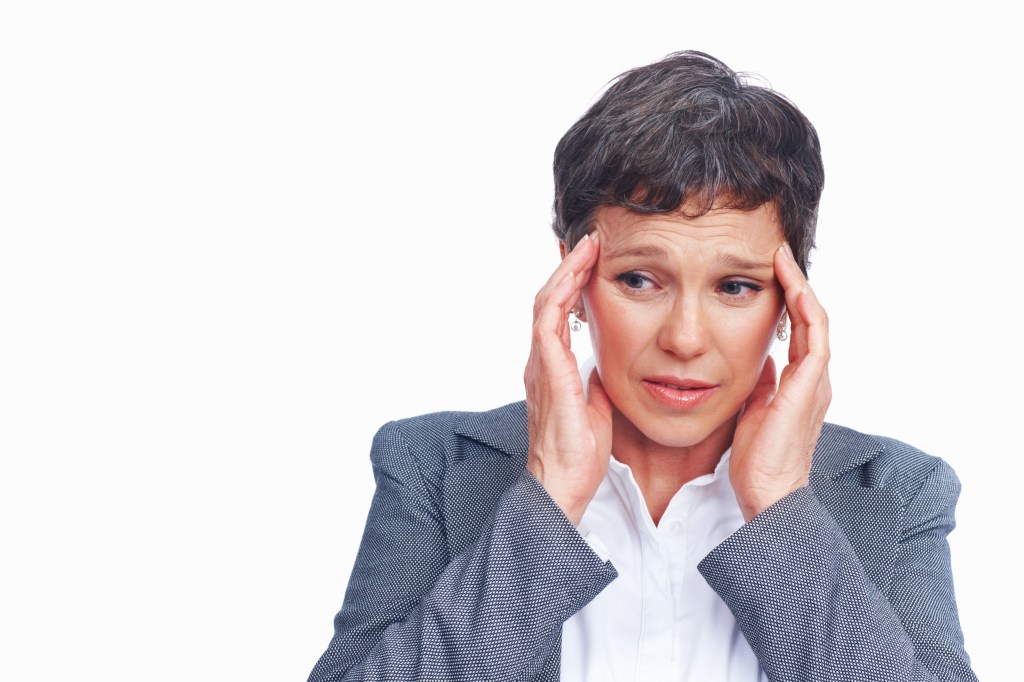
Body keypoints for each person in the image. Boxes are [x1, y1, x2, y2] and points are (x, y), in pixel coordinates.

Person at [307, 51, 977, 681]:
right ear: (573, 280)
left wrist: (779, 504)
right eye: (638, 280)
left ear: (790, 301)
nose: (685, 338)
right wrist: (548, 498)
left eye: (735, 287)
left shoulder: (898, 491)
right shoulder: (430, 465)